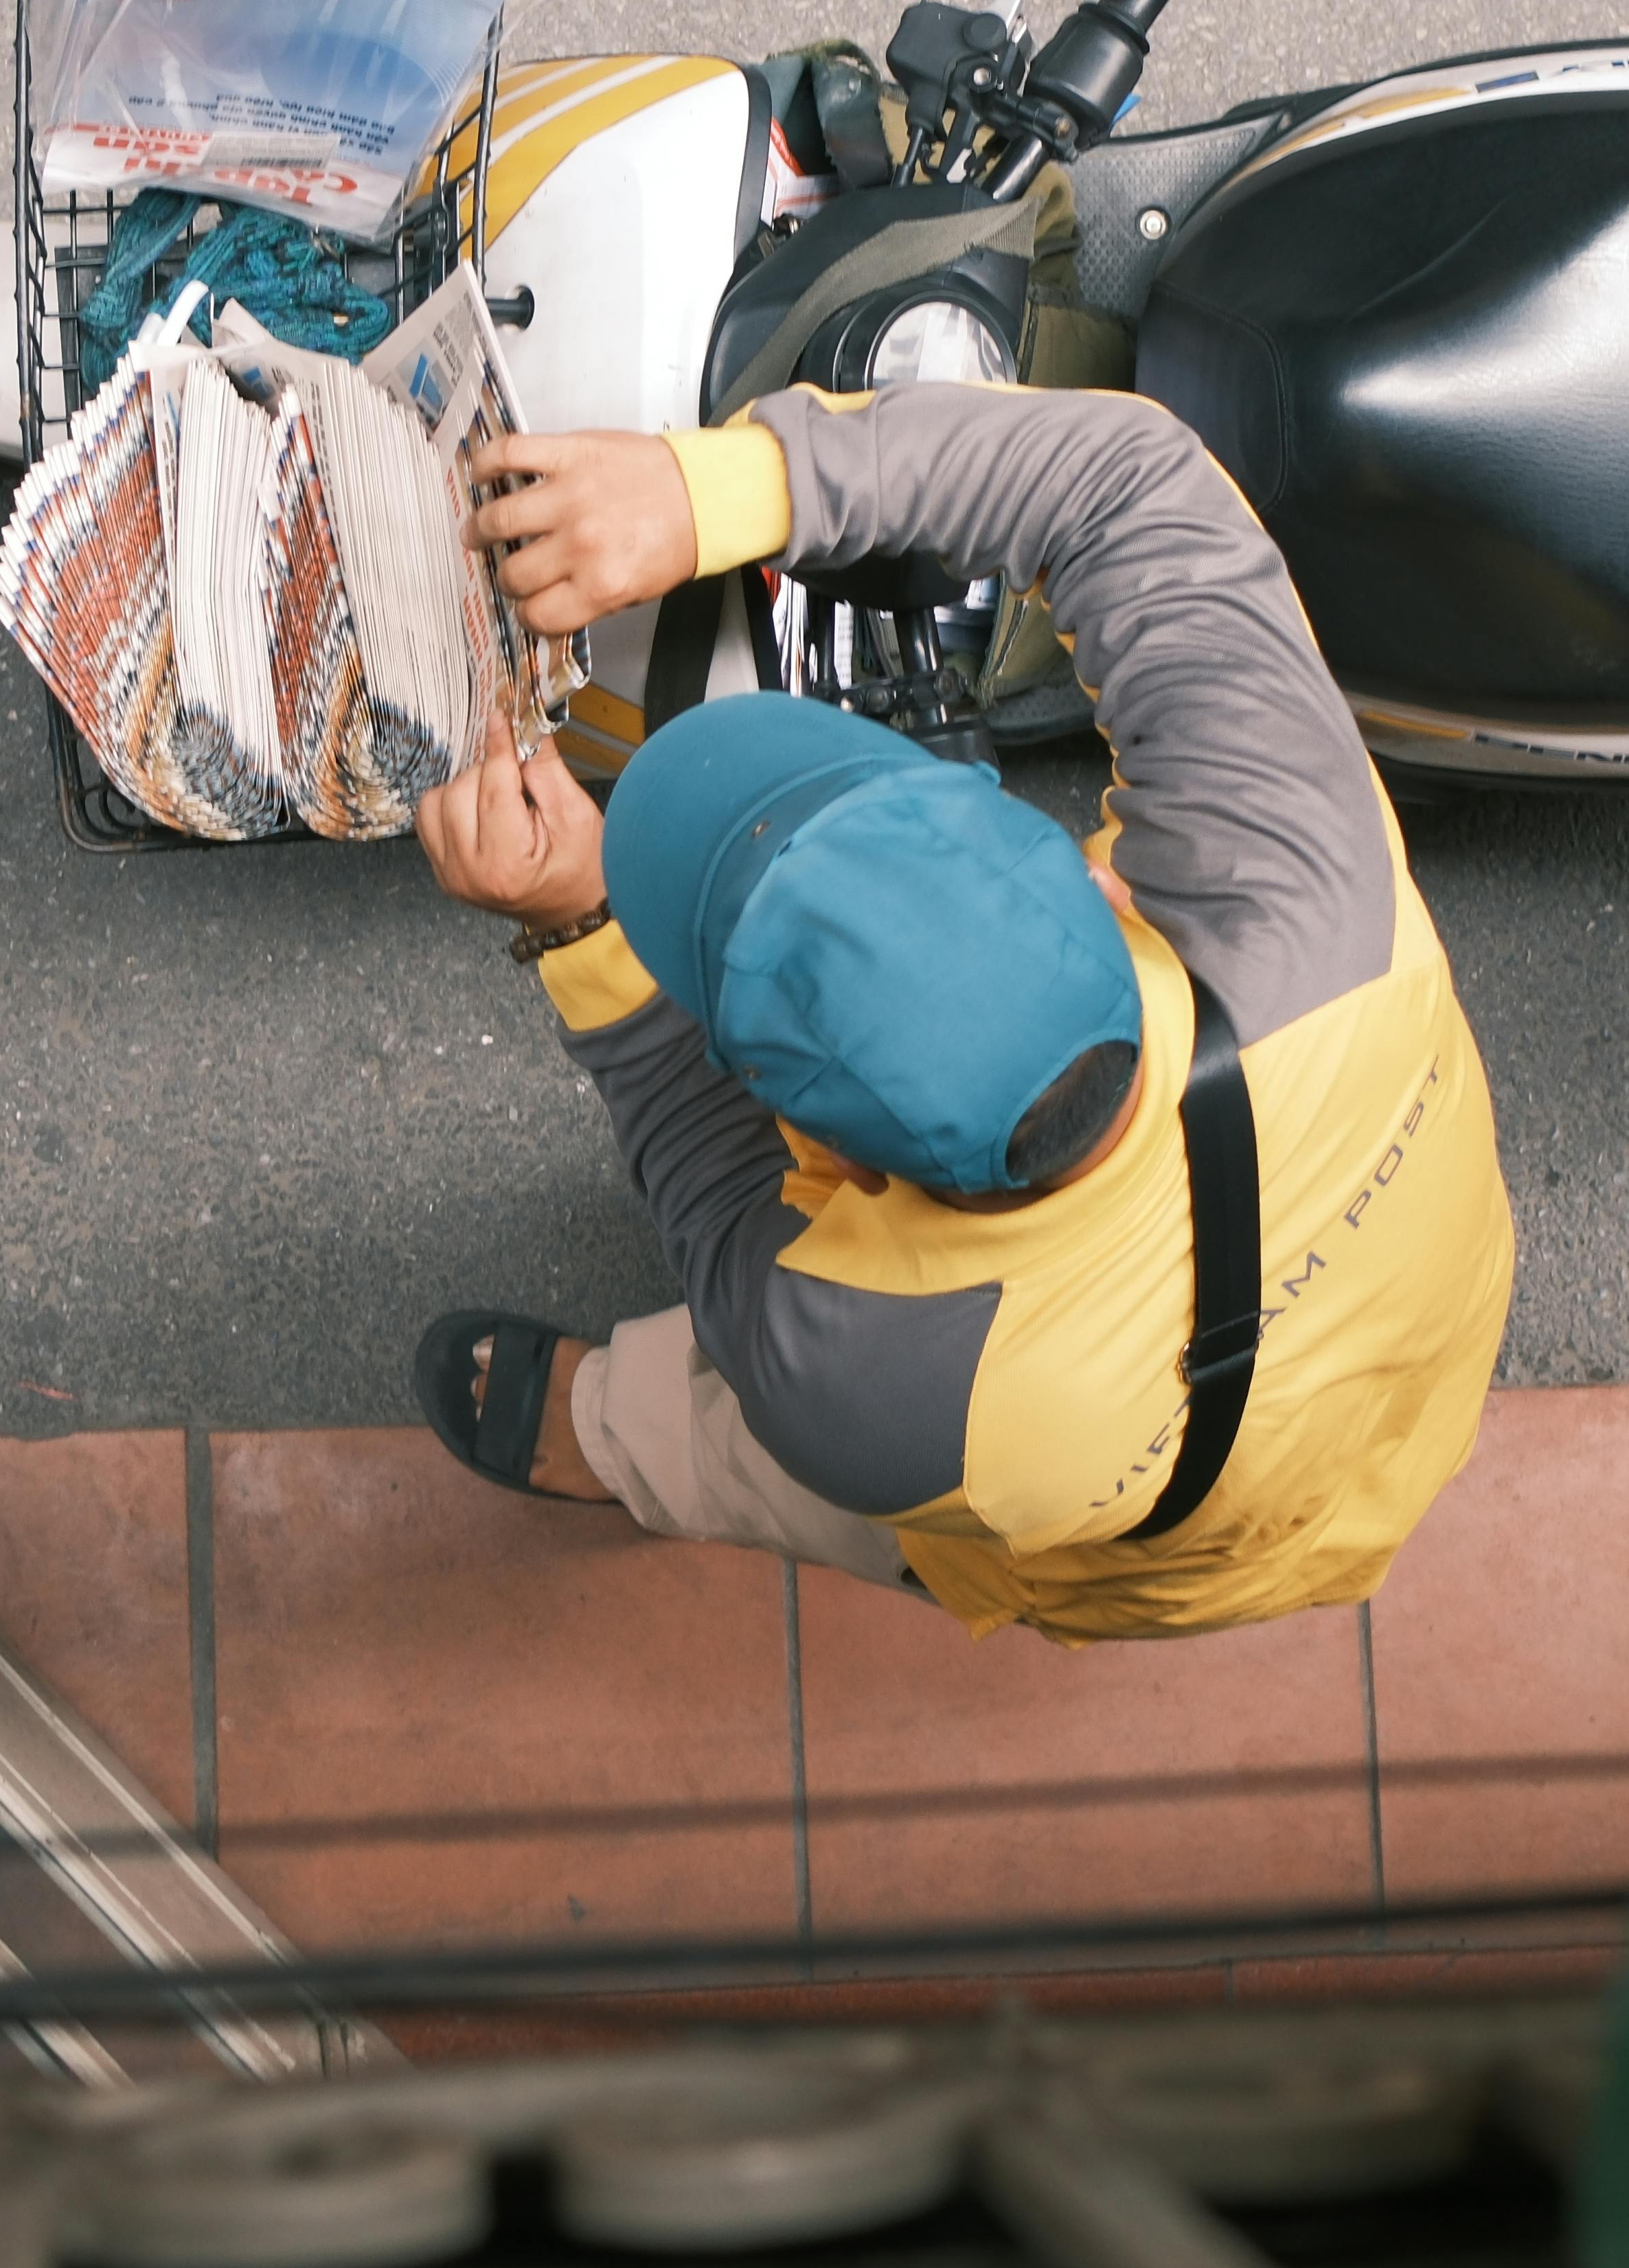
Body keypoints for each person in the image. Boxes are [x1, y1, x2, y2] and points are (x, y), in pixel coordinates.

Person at [407, 379, 1512, 1642]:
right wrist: (713, 493)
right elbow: (1120, 477)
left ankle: (617, 1436)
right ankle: (628, 1436)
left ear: (829, 1160)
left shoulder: (877, 1391)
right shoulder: (1301, 885)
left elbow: (718, 1209)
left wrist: (580, 928)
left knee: (760, 1451)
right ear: (1099, 891)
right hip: (1415, 1340)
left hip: (1126, 1530)